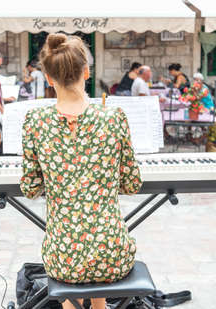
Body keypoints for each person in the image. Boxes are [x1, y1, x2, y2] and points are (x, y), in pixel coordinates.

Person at [20, 33, 141, 309]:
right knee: (95, 257)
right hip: (111, 253)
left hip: (63, 256)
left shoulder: (35, 122)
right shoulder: (113, 117)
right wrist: (100, 181)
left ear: (49, 78)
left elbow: (30, 188)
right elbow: (133, 184)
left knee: (74, 265)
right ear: (86, 71)